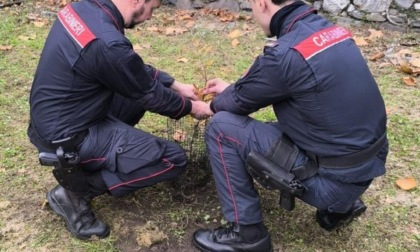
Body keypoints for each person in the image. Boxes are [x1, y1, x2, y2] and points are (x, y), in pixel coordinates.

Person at [192, 0, 388, 251]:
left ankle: (247, 234)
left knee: (222, 128)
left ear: (261, 2)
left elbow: (242, 99)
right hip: (364, 169)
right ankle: (342, 207)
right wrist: (232, 90)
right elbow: (276, 84)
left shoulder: (286, 52)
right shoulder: (327, 30)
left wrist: (205, 107)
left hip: (332, 183)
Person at [27, 0, 212, 240]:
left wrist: (175, 85)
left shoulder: (84, 9)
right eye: (152, 8)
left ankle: (108, 156)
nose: (150, 16)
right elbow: (148, 92)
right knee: (172, 159)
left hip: (55, 118)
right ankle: (74, 193)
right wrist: (191, 107)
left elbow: (127, 68)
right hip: (68, 138)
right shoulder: (106, 41)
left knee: (132, 95)